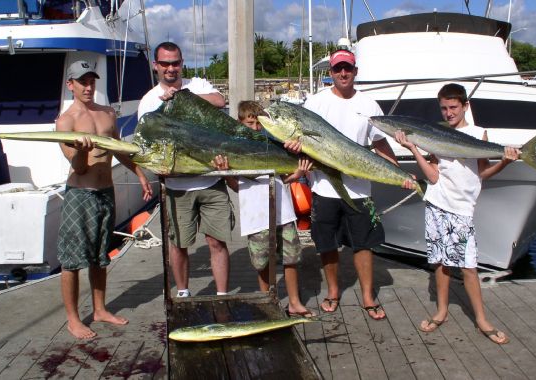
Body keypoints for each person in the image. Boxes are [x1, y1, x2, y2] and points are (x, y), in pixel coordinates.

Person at [394, 83, 518, 344]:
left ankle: (482, 320)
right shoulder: (436, 134)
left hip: (462, 209)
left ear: (465, 106)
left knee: (469, 267)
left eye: (453, 107)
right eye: (444, 108)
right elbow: (434, 177)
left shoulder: (478, 133)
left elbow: (482, 173)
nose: (449, 113)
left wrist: (505, 161)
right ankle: (441, 311)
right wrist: (414, 149)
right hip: (436, 204)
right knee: (439, 262)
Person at [300, 49, 414, 319]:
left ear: (355, 72)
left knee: (363, 244)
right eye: (338, 68)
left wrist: (400, 174)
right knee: (327, 244)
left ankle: (367, 296)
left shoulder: (370, 105)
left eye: (347, 69)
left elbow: (379, 142)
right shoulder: (315, 103)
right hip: (323, 187)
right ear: (330, 72)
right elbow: (301, 140)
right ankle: (333, 291)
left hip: (360, 189)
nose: (343, 73)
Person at [56, 60, 153, 339]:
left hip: (106, 192)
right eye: (82, 82)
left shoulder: (108, 114)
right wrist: (82, 151)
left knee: (100, 257)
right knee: (72, 260)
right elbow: (79, 168)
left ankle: (99, 309)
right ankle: (73, 319)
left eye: (91, 81)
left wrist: (140, 173)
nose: (88, 87)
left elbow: (120, 150)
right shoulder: (66, 122)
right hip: (80, 195)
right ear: (70, 85)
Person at [138, 42, 229, 297]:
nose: (170, 68)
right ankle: (183, 293)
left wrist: (182, 98)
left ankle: (221, 295)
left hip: (211, 180)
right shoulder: (148, 101)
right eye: (165, 63)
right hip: (176, 186)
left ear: (182, 63)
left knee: (216, 242)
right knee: (178, 244)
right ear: (155, 65)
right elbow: (146, 144)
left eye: (175, 63)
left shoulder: (196, 85)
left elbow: (220, 101)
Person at [213, 101, 315, 317]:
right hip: (255, 214)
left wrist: (297, 174)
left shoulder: (274, 143)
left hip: (283, 211)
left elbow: (287, 177)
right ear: (240, 123)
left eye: (259, 123)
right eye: (250, 123)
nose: (256, 127)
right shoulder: (233, 148)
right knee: (262, 261)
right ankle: (268, 300)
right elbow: (235, 187)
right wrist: (225, 172)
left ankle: (294, 303)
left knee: (291, 257)